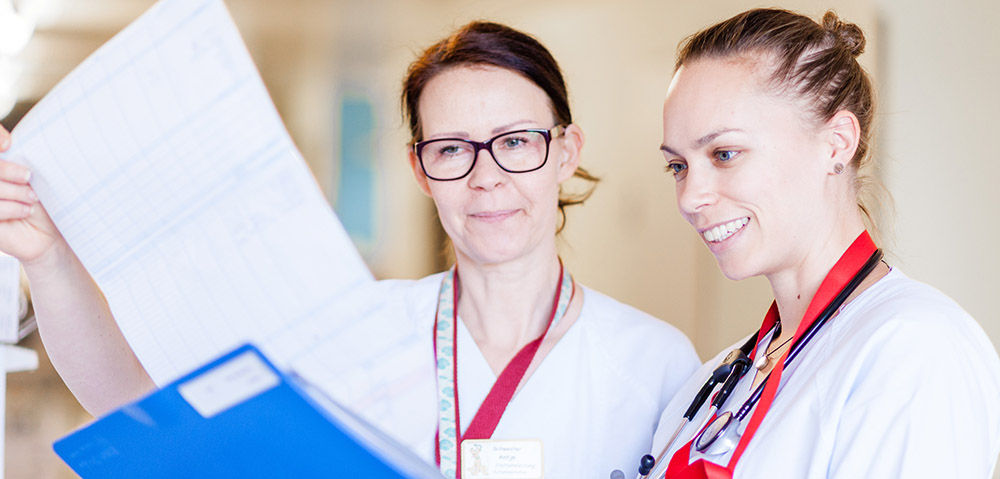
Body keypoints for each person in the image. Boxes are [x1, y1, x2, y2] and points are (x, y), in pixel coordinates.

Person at [0, 21, 699, 477]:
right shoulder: (353, 326)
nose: (486, 176)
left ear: (566, 151)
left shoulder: (657, 363)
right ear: (420, 168)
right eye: (451, 149)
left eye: (516, 142)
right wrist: (46, 256)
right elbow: (133, 398)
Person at [641, 8, 1000, 479]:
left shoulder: (916, 348)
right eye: (678, 166)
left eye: (724, 153)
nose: (690, 197)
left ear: (836, 142)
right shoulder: (712, 382)